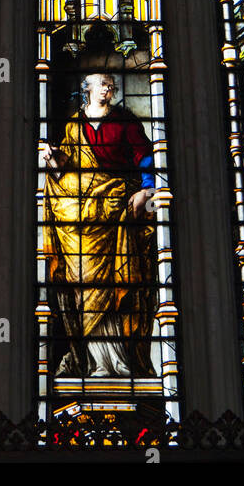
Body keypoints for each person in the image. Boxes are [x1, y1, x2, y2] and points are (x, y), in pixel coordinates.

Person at [41, 73, 163, 379]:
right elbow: (65, 170)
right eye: (102, 86)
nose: (108, 90)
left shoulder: (125, 121)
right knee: (84, 287)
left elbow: (145, 158)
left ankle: (120, 362)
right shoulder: (73, 124)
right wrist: (54, 159)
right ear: (88, 91)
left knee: (118, 285)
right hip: (79, 222)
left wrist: (147, 189)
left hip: (118, 208)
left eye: (111, 86)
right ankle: (92, 360)